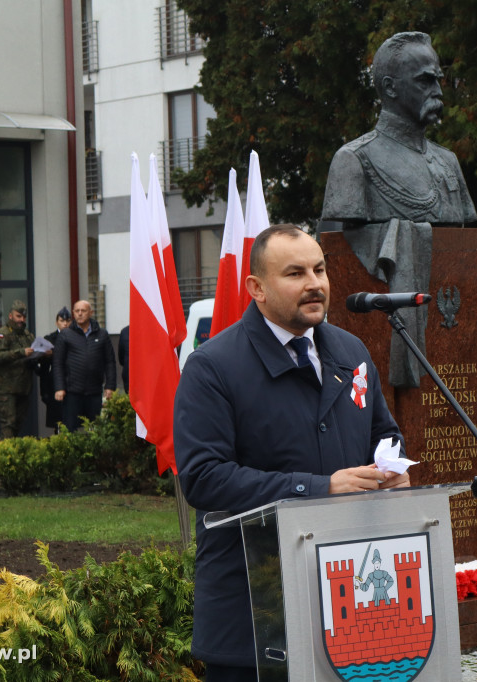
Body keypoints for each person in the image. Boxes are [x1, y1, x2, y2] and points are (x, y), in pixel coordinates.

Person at [174, 224, 408, 681]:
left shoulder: (350, 350)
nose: (315, 283)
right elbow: (204, 477)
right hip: (255, 614)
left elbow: (385, 433)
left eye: (319, 269)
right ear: (256, 288)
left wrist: (392, 467)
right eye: (296, 273)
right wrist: (320, 488)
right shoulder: (213, 367)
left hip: (345, 598)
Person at [321, 31, 477, 387]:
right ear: (390, 88)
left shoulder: (448, 161)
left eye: (438, 78)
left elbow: (462, 220)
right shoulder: (354, 160)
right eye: (425, 80)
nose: (437, 89)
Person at [53, 300, 116, 431]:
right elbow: (58, 363)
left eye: (83, 311)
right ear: (73, 314)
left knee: (95, 430)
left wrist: (110, 386)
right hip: (72, 392)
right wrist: (59, 387)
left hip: (94, 391)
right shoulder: (66, 334)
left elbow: (110, 362)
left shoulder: (102, 334)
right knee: (70, 430)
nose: (80, 314)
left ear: (91, 313)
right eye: (77, 311)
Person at [0, 299, 36, 438]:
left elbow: (32, 354)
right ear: (10, 316)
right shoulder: (1, 334)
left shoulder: (27, 335)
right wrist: (21, 352)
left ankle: (10, 453)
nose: (21, 320)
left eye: (23, 317)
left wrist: (43, 354)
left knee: (18, 424)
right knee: (8, 424)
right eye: (18, 316)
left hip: (23, 387)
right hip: (7, 389)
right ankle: (5, 457)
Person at [35, 306, 71, 432]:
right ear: (57, 322)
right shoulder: (49, 339)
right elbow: (43, 369)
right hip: (54, 385)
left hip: (73, 383)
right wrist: (43, 392)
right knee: (58, 421)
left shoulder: (77, 337)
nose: (65, 323)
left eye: (67, 321)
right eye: (62, 321)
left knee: (73, 419)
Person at [118, 325, 130, 393]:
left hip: (149, 381)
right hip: (130, 380)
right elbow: (121, 358)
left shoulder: (151, 330)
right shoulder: (125, 332)